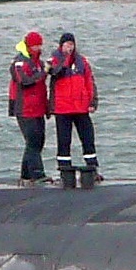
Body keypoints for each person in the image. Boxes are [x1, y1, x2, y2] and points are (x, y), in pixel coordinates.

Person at [47, 32, 99, 184]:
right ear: (61, 45)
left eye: (71, 44)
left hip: (80, 107)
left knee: (88, 138)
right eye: (66, 44)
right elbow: (54, 72)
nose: (69, 47)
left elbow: (89, 82)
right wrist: (64, 59)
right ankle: (65, 172)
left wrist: (92, 102)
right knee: (64, 141)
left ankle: (92, 168)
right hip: (62, 108)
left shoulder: (82, 61)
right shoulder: (54, 60)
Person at [7, 31, 50, 183]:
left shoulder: (39, 63)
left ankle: (26, 175)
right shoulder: (19, 62)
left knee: (38, 141)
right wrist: (43, 73)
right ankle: (37, 174)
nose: (38, 48)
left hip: (38, 108)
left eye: (39, 45)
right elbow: (24, 81)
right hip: (24, 108)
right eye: (35, 45)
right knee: (33, 141)